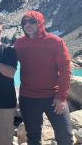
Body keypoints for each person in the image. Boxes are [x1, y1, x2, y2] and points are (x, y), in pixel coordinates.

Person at [14, 11, 73, 145]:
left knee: (65, 136)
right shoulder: (20, 44)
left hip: (53, 97)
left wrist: (62, 97)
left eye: (32, 21)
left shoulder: (55, 42)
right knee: (33, 138)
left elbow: (65, 69)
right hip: (28, 98)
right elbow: (8, 62)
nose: (27, 25)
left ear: (40, 22)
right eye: (24, 22)